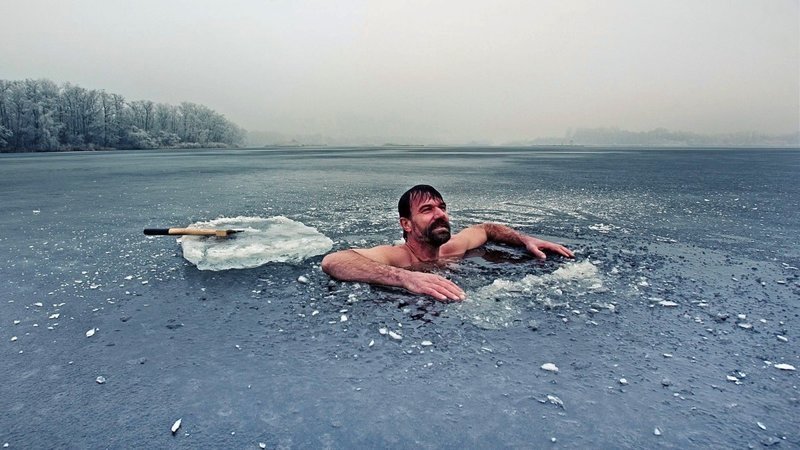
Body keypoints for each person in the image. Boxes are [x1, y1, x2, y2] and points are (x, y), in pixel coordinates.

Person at [321, 184, 574, 302]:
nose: (440, 214)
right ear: (406, 224)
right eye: (427, 209)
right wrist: (404, 277)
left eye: (442, 207)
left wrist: (525, 240)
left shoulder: (454, 247)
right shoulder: (397, 257)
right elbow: (334, 261)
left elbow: (486, 229)